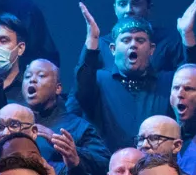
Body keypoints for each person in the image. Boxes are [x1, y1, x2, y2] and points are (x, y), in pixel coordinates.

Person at [73, 14, 175, 157]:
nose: (133, 44)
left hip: (155, 170)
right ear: (113, 49)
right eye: (126, 40)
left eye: (140, 40)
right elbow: (82, 86)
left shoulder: (167, 82)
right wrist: (92, 41)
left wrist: (189, 40)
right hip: (109, 172)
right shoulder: (99, 81)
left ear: (152, 49)